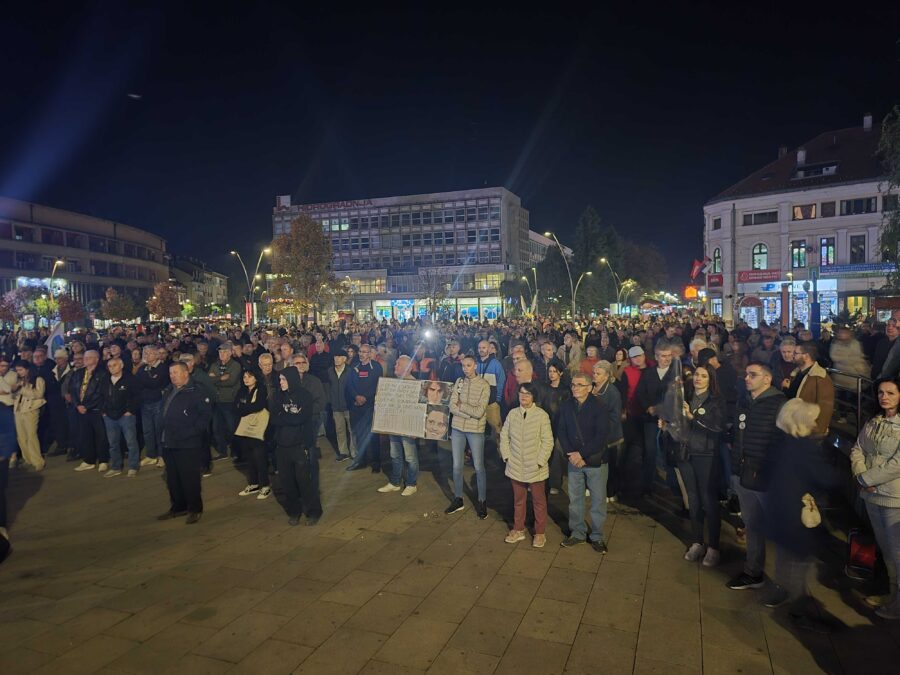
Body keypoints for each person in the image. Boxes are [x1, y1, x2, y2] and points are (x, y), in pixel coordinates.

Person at [764, 399, 841, 631]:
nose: (817, 422)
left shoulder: (781, 441)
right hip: (796, 515)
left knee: (787, 559)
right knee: (799, 564)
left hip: (781, 511)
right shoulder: (805, 447)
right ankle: (799, 612)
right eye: (813, 418)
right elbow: (826, 478)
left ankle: (784, 593)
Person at [726, 362, 786, 591]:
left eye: (753, 375)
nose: (747, 378)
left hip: (766, 477)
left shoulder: (779, 404)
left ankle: (784, 583)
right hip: (744, 474)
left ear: (767, 379)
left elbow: (784, 443)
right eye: (746, 374)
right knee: (752, 525)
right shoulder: (745, 402)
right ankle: (753, 572)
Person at [661, 364, 724, 567]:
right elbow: (677, 421)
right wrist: (668, 424)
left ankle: (713, 547)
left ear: (710, 380)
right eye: (696, 374)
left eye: (703, 376)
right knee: (693, 498)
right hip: (684, 451)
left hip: (704, 453)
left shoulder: (715, 401)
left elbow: (716, 426)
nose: (698, 378)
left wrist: (693, 417)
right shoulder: (685, 397)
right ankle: (697, 541)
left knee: (708, 498)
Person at [850, 377, 900, 619]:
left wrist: (866, 479)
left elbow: (897, 465)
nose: (884, 397)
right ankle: (892, 595)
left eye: (890, 392)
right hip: (872, 496)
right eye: (881, 392)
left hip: (894, 497)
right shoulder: (874, 421)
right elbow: (857, 448)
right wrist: (861, 476)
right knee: (887, 551)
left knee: (897, 552)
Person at [558, 372, 610, 553]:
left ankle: (597, 536)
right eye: (573, 384)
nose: (575, 388)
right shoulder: (566, 406)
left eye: (579, 385)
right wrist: (571, 455)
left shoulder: (600, 407)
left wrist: (581, 454)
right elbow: (562, 432)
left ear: (589, 387)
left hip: (595, 461)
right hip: (574, 460)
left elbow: (601, 436)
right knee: (575, 499)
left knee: (597, 500)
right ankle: (577, 533)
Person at [500, 382, 554, 547]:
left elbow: (547, 441)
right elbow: (504, 436)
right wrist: (507, 457)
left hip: (535, 466)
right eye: (521, 393)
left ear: (534, 397)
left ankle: (539, 533)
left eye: (527, 394)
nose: (523, 396)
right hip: (515, 464)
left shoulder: (542, 415)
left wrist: (539, 461)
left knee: (539, 501)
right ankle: (518, 529)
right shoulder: (512, 414)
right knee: (519, 500)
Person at [157, 361, 212, 524]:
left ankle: (195, 508)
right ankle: (178, 506)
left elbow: (204, 417)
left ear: (186, 373)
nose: (172, 376)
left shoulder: (197, 391)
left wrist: (190, 433)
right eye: (171, 373)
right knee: (173, 478)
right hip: (168, 440)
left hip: (188, 443)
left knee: (190, 478)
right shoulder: (169, 389)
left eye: (175, 372)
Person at [272, 368, 319, 526]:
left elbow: (302, 418)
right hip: (282, 446)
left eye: (283, 379)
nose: (281, 383)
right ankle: (294, 511)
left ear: (291, 379)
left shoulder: (304, 395)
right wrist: (291, 417)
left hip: (299, 445)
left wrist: (285, 417)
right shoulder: (277, 395)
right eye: (280, 380)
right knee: (287, 482)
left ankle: (312, 511)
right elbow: (274, 418)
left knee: (304, 481)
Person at [447, 355, 490, 516]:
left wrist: (462, 407)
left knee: (479, 466)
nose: (465, 368)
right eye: (463, 365)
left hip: (475, 430)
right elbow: (452, 405)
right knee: (457, 465)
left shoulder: (484, 385)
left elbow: (480, 412)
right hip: (458, 428)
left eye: (469, 365)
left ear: (475, 366)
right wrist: (467, 413)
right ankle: (458, 498)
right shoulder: (459, 382)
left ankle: (482, 500)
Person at [636, 344, 677, 496]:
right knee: (650, 450)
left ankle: (673, 485)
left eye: (669, 356)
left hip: (670, 419)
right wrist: (649, 407)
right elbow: (640, 392)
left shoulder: (675, 373)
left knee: (670, 451)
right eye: (663, 356)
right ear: (657, 356)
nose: (666, 359)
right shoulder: (648, 373)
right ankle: (648, 484)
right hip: (650, 418)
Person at [379, 355, 421, 496]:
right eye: (396, 363)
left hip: (408, 428)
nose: (395, 366)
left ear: (407, 368)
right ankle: (395, 482)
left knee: (410, 457)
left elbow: (419, 410)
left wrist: (416, 428)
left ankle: (411, 483)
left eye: (398, 364)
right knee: (395, 455)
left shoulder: (415, 384)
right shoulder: (394, 383)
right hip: (394, 425)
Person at [100, 357, 141, 477]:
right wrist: (103, 411)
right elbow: (101, 396)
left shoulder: (130, 379)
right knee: (113, 443)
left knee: (131, 442)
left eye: (115, 365)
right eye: (110, 366)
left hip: (126, 416)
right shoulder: (105, 380)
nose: (112, 368)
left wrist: (130, 410)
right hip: (109, 416)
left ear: (121, 366)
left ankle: (133, 466)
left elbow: (137, 396)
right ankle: (116, 467)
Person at [71, 350, 110, 473]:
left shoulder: (102, 374)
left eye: (89, 357)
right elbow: (73, 390)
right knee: (85, 435)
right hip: (81, 409)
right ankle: (89, 460)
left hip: (96, 409)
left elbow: (101, 393)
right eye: (85, 357)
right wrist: (78, 405)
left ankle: (103, 460)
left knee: (101, 436)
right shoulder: (79, 373)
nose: (86, 359)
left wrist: (87, 406)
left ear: (97, 359)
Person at [234, 369, 271, 499]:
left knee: (259, 456)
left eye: (249, 376)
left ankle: (265, 485)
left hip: (258, 428)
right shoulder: (242, 391)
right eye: (244, 376)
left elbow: (259, 405)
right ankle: (254, 483)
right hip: (246, 428)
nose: (246, 379)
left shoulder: (261, 389)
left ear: (256, 378)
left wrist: (244, 408)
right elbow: (236, 406)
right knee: (249, 456)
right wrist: (246, 408)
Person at [345, 344, 383, 472]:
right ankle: (361, 461)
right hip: (357, 406)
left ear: (370, 353)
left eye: (364, 352)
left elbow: (378, 385)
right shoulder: (353, 366)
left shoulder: (376, 367)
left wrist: (365, 397)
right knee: (359, 435)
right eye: (360, 351)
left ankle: (376, 463)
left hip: (370, 406)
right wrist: (356, 396)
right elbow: (349, 384)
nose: (361, 354)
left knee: (373, 436)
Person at [788, 342, 835, 438]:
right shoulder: (797, 373)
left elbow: (825, 409)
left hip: (807, 431)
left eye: (796, 353)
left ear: (806, 356)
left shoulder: (820, 378)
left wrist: (818, 432)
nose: (793, 356)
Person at [592, 361, 623, 502]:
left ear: (606, 376)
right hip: (593, 434)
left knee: (610, 464)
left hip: (610, 436)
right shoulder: (591, 388)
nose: (594, 376)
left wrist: (602, 429)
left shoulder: (612, 392)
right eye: (594, 373)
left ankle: (610, 491)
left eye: (598, 374)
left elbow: (615, 417)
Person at [136, 346, 169, 469]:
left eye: (149, 353)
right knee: (148, 431)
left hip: (158, 402)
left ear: (156, 355)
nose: (146, 355)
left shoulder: (162, 368)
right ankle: (151, 455)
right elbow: (138, 382)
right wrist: (148, 380)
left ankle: (162, 455)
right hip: (145, 403)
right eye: (145, 353)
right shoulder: (143, 368)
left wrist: (147, 380)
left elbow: (155, 382)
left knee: (159, 430)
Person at [13, 360, 46, 471]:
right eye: (17, 370)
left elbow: (39, 394)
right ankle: (28, 459)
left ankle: (38, 461)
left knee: (31, 435)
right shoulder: (19, 380)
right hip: (19, 409)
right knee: (21, 437)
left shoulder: (38, 379)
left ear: (27, 369)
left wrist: (23, 389)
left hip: (31, 409)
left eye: (21, 370)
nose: (19, 372)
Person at [211, 343, 242, 461]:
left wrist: (215, 378)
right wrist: (221, 378)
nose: (222, 354)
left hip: (230, 401)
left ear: (230, 353)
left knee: (232, 428)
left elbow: (231, 381)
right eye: (220, 352)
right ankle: (222, 451)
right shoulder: (215, 364)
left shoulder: (235, 365)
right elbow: (209, 379)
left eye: (224, 352)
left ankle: (236, 451)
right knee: (217, 428)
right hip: (217, 400)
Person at [327, 348, 354, 462]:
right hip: (336, 406)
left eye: (339, 357)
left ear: (344, 359)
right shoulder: (330, 371)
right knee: (340, 430)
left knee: (352, 430)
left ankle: (354, 452)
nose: (336, 359)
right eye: (335, 357)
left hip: (348, 405)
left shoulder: (351, 371)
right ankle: (343, 452)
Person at [476, 339, 505, 441]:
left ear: (489, 349)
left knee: (497, 429)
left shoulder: (496, 364)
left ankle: (500, 454)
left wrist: (497, 399)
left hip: (491, 402)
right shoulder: (475, 363)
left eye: (484, 348)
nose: (481, 350)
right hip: (477, 403)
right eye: (479, 348)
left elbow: (501, 382)